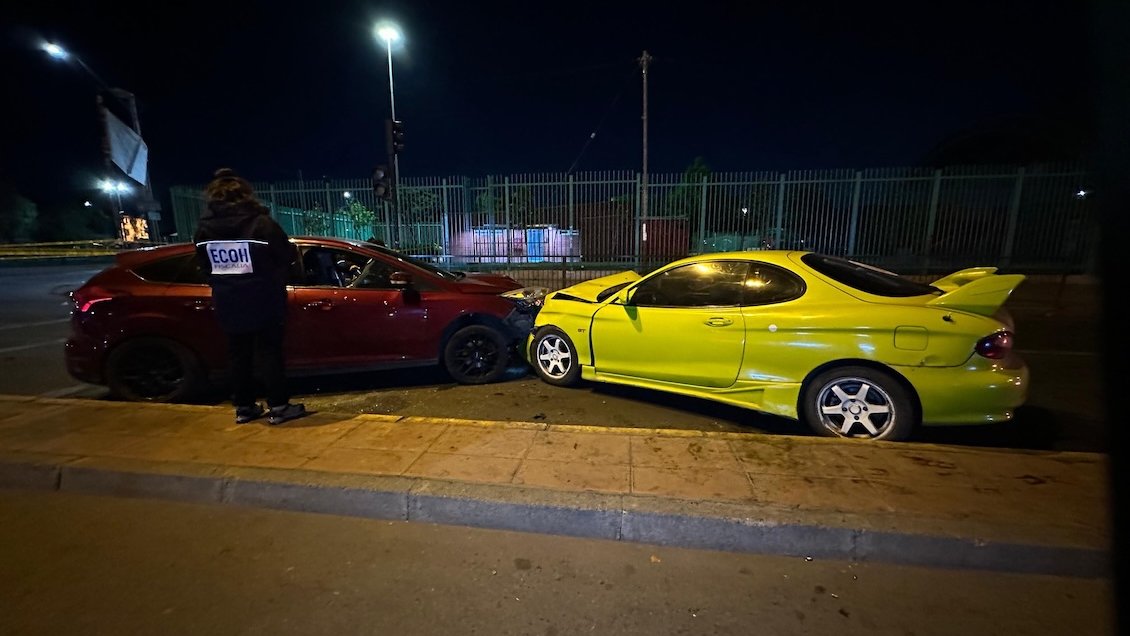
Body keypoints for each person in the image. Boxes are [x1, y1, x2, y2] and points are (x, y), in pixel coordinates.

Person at [194, 168, 306, 425]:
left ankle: (244, 408)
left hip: (228, 300)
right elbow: (286, 255)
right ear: (245, 195)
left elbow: (204, 266)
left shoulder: (204, 230)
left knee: (238, 355)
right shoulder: (261, 224)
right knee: (269, 353)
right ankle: (279, 407)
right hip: (264, 298)